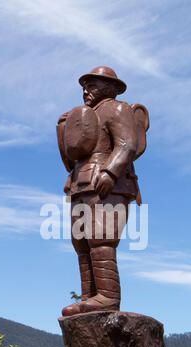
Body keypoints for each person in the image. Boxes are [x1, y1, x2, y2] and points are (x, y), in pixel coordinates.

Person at [57, 66, 148, 316]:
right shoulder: (83, 114)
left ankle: (107, 296)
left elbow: (127, 144)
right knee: (82, 241)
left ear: (110, 88)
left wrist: (110, 171)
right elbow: (71, 157)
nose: (86, 90)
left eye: (93, 85)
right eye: (85, 86)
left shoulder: (117, 109)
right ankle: (88, 296)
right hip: (80, 184)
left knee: (101, 238)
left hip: (107, 184)